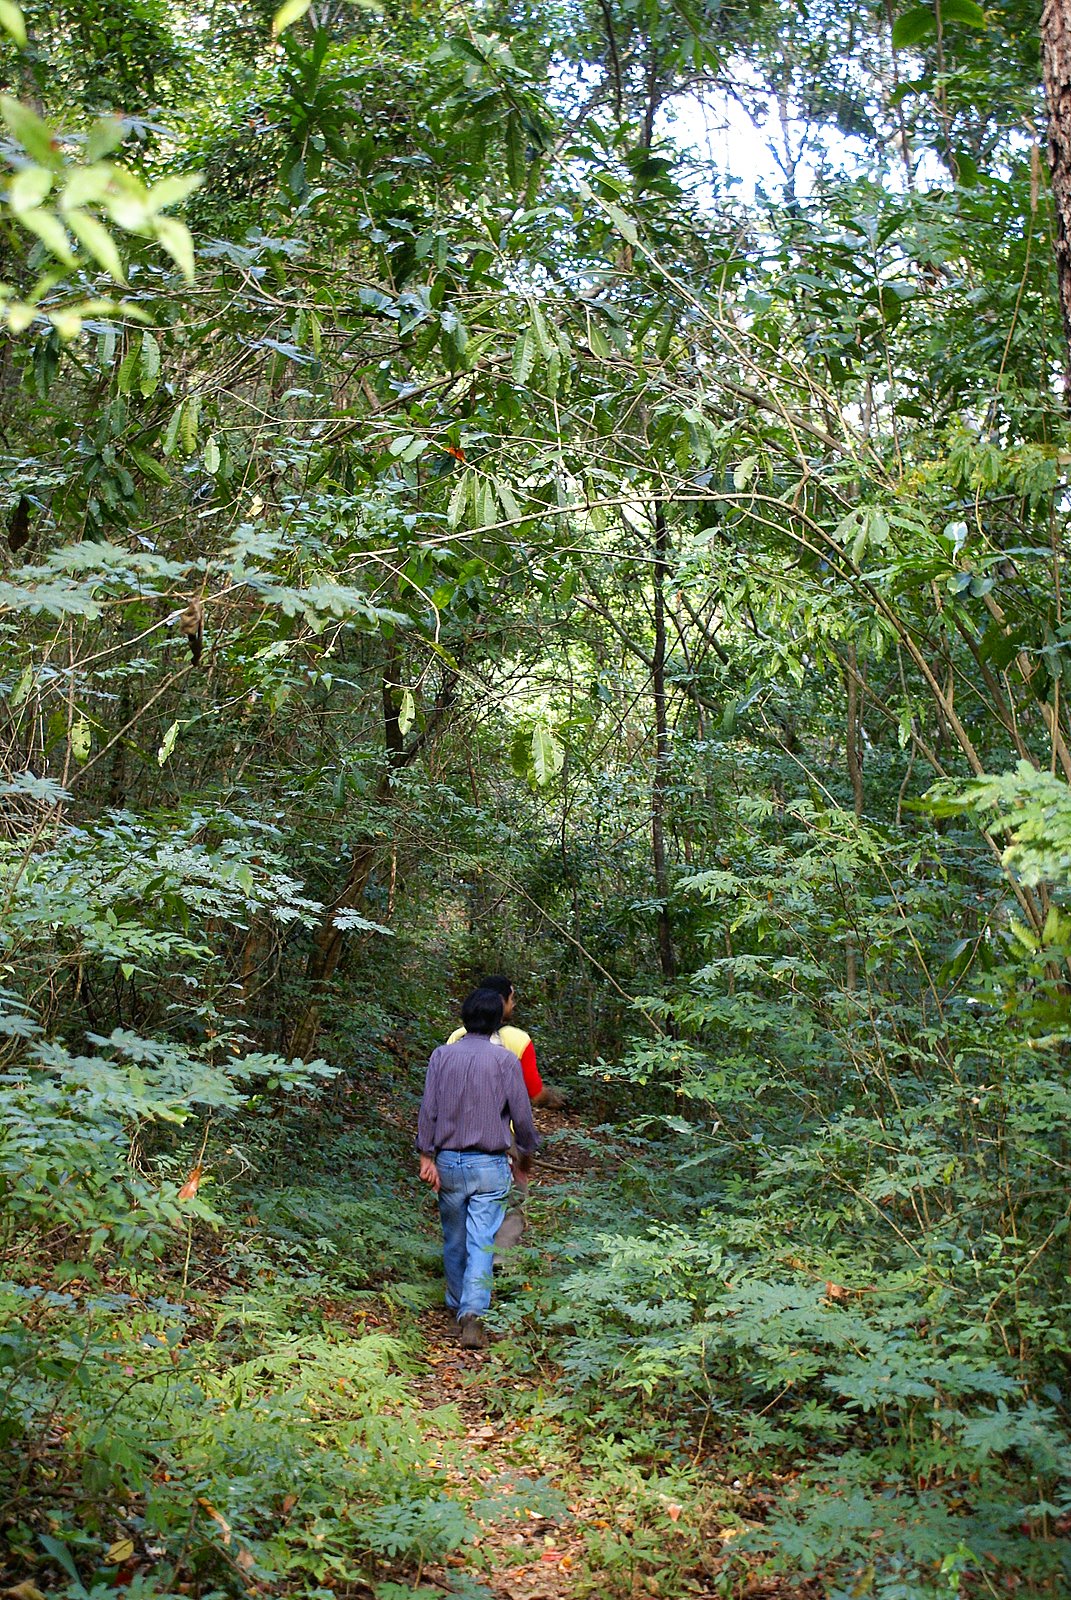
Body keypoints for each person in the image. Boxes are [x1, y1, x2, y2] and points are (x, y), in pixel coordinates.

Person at [417, 986, 539, 1349]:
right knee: (482, 1239)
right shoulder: (505, 1062)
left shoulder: (441, 1055)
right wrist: (526, 1154)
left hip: (449, 1161)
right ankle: (472, 1312)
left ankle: (457, 1307)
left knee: (454, 1237)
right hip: (489, 1164)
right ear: (497, 1020)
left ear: (464, 1018)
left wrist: (426, 1155)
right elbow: (523, 1115)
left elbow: (428, 1109)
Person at [446, 975, 564, 1109]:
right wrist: (550, 1097)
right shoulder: (519, 1039)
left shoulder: (457, 1036)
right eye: (512, 998)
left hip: (455, 1125)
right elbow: (536, 1095)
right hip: (500, 1127)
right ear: (501, 1001)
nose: (513, 1004)